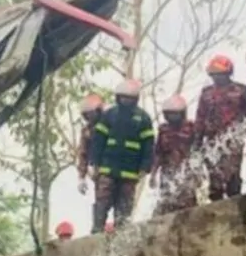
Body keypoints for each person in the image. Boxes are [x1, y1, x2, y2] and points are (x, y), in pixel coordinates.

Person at [90, 78, 155, 233]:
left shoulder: (143, 118)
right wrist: (95, 163)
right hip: (108, 168)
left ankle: (121, 232)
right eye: (123, 97)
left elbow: (148, 145)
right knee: (102, 201)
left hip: (130, 171)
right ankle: (97, 230)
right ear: (118, 97)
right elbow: (98, 141)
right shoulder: (109, 115)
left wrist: (145, 167)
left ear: (135, 99)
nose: (126, 100)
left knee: (124, 206)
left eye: (129, 98)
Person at [195, 54, 246, 201]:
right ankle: (216, 208)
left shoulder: (241, 90)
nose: (217, 78)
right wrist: (197, 142)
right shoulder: (206, 93)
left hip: (233, 140)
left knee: (232, 177)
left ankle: (236, 206)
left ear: (228, 73)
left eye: (220, 74)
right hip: (212, 141)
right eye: (214, 75)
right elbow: (200, 117)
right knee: (215, 180)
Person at [150, 94, 199, 216]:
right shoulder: (163, 130)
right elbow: (158, 153)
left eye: (175, 114)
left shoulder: (192, 127)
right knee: (167, 203)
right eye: (170, 114)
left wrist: (199, 173)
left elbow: (198, 150)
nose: (173, 117)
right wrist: (153, 174)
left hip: (187, 171)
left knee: (187, 205)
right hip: (168, 172)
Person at [76, 93, 106, 196]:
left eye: (91, 113)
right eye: (86, 114)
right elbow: (83, 154)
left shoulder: (112, 125)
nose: (89, 116)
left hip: (117, 169)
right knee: (100, 206)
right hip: (99, 172)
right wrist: (81, 177)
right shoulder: (86, 131)